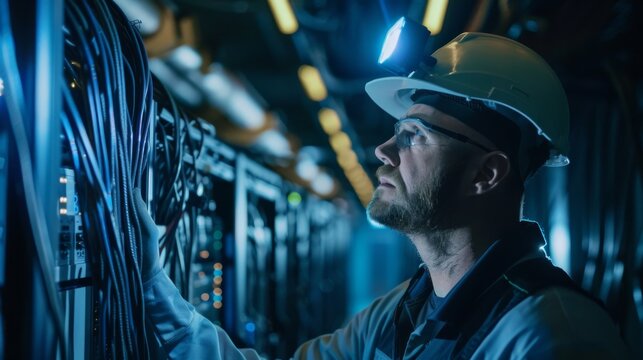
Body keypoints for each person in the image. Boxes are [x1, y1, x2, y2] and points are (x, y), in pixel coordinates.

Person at [135, 30, 629, 359]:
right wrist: (154, 289)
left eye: (416, 135)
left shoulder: (554, 336)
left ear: (487, 174)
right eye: (398, 130)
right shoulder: (405, 310)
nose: (384, 149)